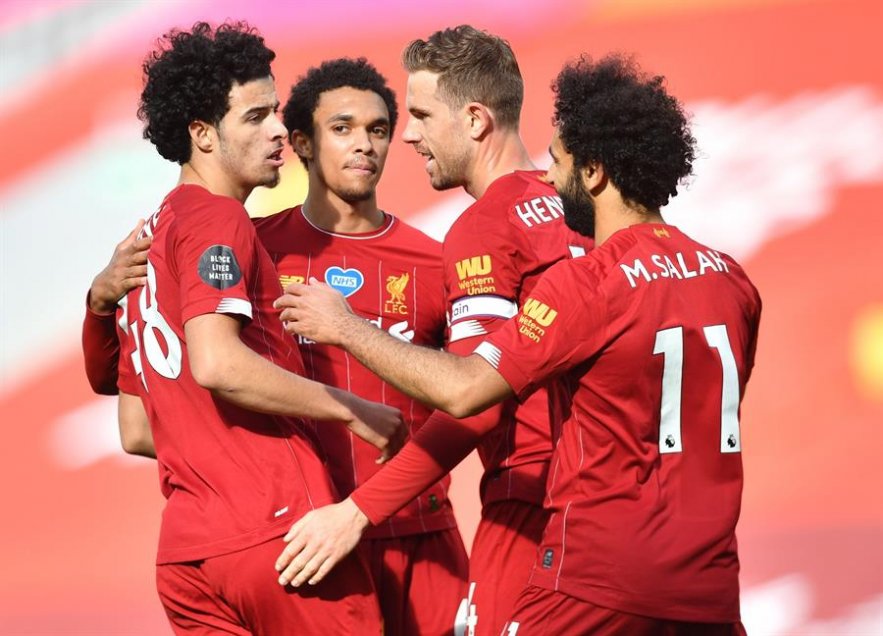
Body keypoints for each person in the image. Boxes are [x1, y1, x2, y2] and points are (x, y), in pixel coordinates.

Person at [275, 54, 761, 634]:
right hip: (708, 579)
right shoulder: (732, 278)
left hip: (581, 550)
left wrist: (347, 327)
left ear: (594, 171)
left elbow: (470, 395)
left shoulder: (559, 268)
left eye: (422, 115)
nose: (549, 180)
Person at [82, 57, 468, 635]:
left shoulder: (438, 262)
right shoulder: (240, 239)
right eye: (341, 128)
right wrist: (351, 409)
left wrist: (97, 304)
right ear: (304, 143)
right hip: (296, 531)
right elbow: (211, 368)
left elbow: (476, 396)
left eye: (379, 129)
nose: (364, 144)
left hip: (407, 531)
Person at [276, 25, 592, 636]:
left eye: (418, 114)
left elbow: (475, 402)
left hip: (533, 506)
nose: (408, 133)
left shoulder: (484, 226)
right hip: (619, 500)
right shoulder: (586, 208)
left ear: (474, 120)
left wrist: (357, 512)